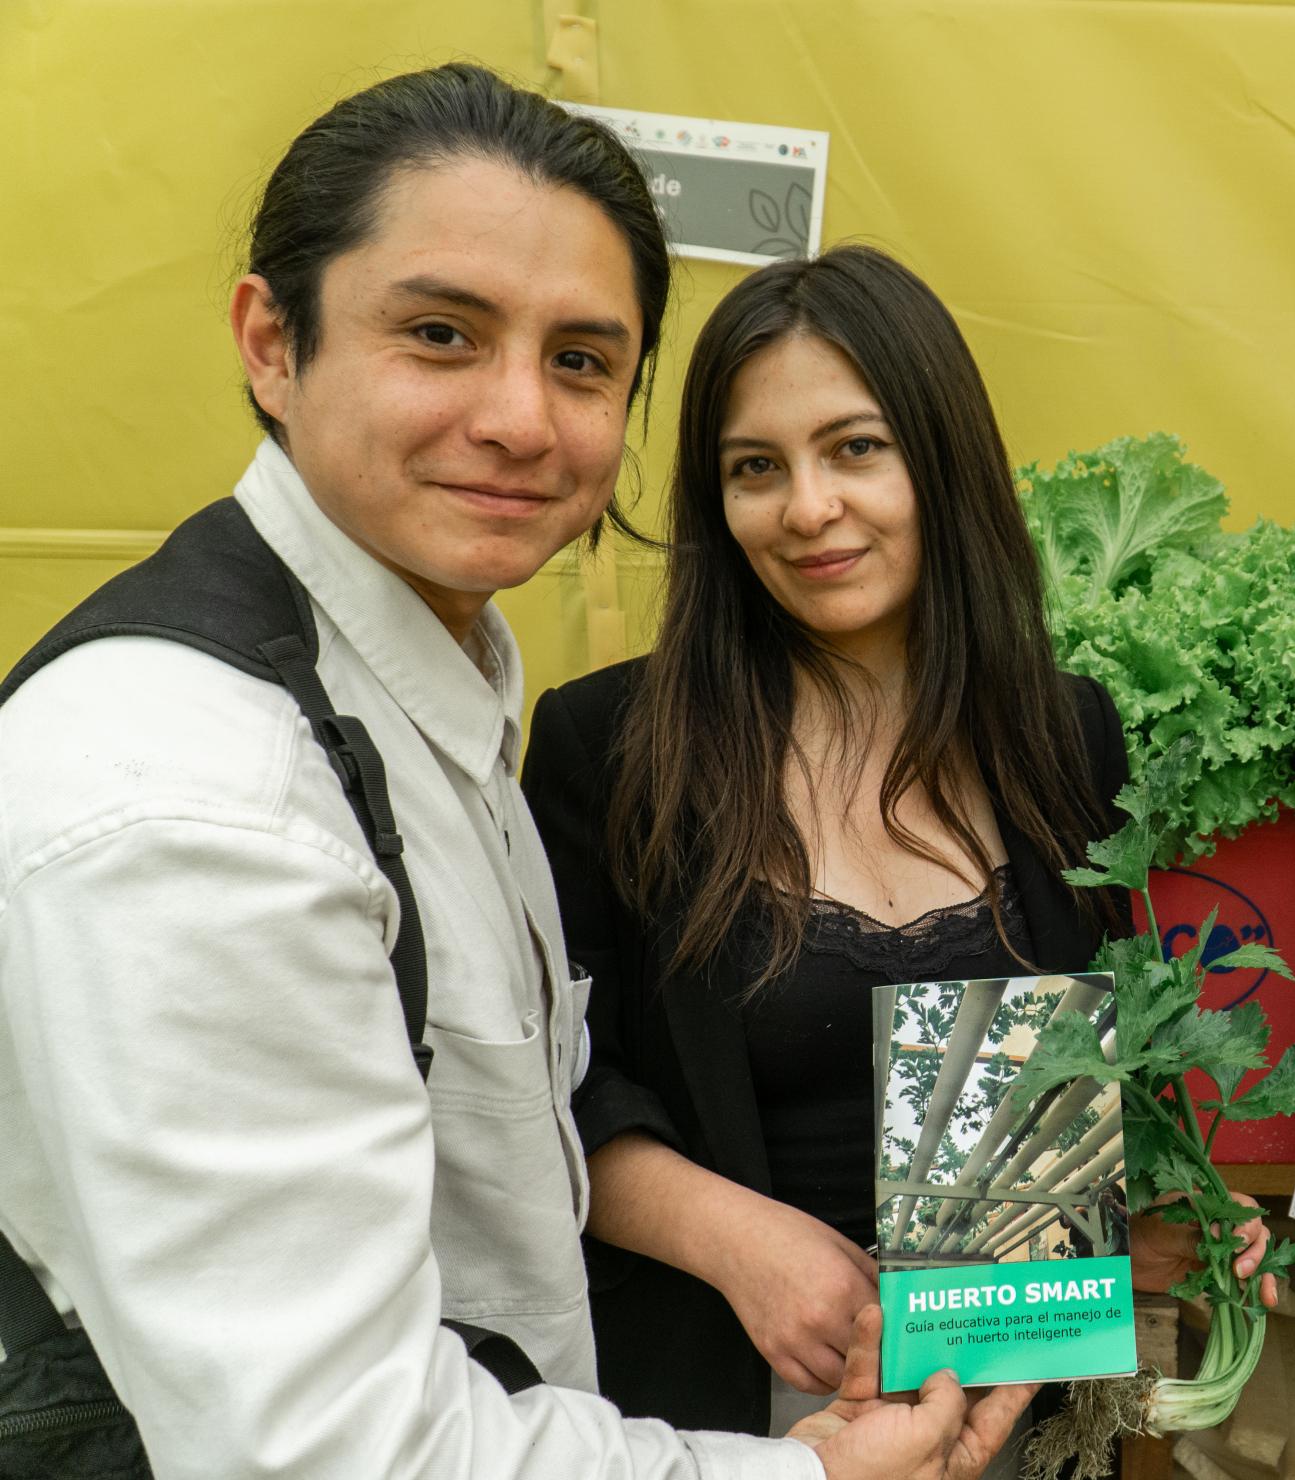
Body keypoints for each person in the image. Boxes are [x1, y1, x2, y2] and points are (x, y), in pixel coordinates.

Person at [0, 63, 1028, 1480]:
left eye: (583, 362)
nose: (523, 421)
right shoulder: (196, 795)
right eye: (440, 333)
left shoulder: (433, 696)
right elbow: (328, 1448)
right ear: (272, 342)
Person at [521, 245, 1275, 1440]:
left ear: (941, 457)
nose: (808, 508)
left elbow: (1086, 1079)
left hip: (1002, 1408)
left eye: (856, 449)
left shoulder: (1065, 733)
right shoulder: (608, 743)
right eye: (755, 468)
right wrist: (739, 1242)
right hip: (723, 1416)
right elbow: (544, 1087)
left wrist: (1159, 1205)